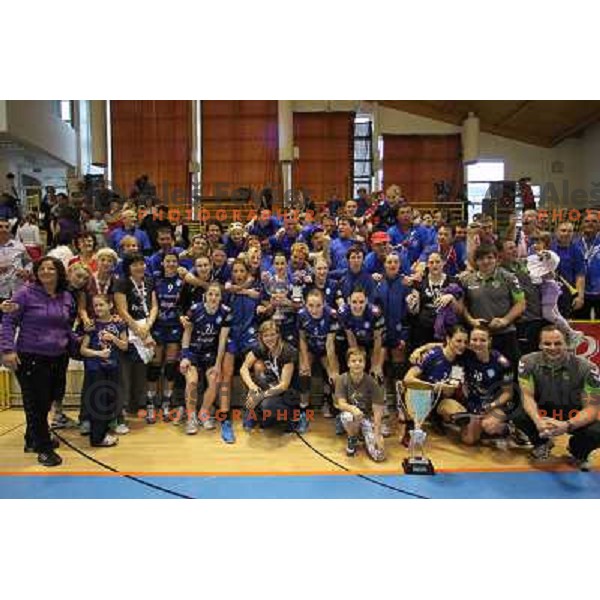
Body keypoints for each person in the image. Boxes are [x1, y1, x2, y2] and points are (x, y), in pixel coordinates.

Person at [0, 256, 78, 467]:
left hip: (58, 357)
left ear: (58, 272)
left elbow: (66, 327)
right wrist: (7, 350)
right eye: (41, 268)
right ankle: (44, 449)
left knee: (50, 399)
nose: (46, 271)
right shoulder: (24, 293)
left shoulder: (66, 296)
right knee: (37, 403)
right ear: (36, 272)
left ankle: (31, 439)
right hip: (31, 357)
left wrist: (79, 344)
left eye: (50, 268)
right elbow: (8, 321)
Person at [513, 325, 600, 470]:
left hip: (574, 412)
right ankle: (542, 442)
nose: (552, 348)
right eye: (547, 343)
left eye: (558, 343)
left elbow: (592, 408)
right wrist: (538, 420)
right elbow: (527, 396)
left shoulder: (588, 369)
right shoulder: (527, 362)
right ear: (540, 344)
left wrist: (567, 425)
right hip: (545, 411)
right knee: (517, 413)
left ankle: (578, 451)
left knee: (597, 430)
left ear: (567, 344)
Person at [179, 283, 231, 438]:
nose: (213, 298)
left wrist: (218, 364)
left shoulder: (226, 312)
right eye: (210, 294)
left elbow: (222, 340)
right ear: (205, 296)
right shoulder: (195, 309)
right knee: (192, 381)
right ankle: (191, 417)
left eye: (217, 295)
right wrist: (185, 356)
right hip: (193, 352)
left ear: (221, 298)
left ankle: (204, 413)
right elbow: (187, 333)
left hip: (210, 353)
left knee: (215, 379)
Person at [113, 253, 158, 421]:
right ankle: (122, 410)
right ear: (128, 267)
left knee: (141, 370)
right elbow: (122, 310)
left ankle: (136, 406)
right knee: (125, 372)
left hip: (145, 329)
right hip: (129, 332)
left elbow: (154, 307)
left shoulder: (149, 281)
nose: (140, 267)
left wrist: (147, 326)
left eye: (142, 264)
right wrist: (137, 329)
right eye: (135, 265)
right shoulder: (121, 283)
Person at [80, 295, 128, 447]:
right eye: (95, 306)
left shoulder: (119, 324)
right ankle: (97, 437)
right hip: (96, 369)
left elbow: (124, 346)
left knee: (108, 400)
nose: (98, 308)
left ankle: (104, 432)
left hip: (113, 368)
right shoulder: (92, 325)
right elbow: (83, 350)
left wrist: (113, 338)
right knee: (97, 401)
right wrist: (98, 354)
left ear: (110, 305)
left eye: (101, 305)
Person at [239, 320, 302, 432]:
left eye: (272, 334)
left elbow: (284, 385)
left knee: (267, 405)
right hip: (272, 385)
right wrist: (252, 387)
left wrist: (261, 396)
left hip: (288, 393)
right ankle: (256, 416)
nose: (269, 338)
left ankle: (293, 418)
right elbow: (244, 368)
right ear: (261, 337)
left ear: (278, 335)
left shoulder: (288, 351)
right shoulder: (261, 348)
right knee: (255, 385)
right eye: (266, 336)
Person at [526, 231, 583, 349]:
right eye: (534, 241)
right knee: (555, 314)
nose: (535, 244)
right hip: (542, 289)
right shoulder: (532, 257)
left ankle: (571, 333)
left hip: (549, 288)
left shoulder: (549, 254)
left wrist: (545, 254)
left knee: (548, 314)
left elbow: (553, 260)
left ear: (546, 244)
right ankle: (569, 334)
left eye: (539, 242)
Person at [334, 347, 385, 461]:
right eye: (353, 361)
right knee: (348, 416)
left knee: (379, 455)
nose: (357, 364)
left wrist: (377, 434)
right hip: (349, 416)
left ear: (365, 364)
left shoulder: (371, 382)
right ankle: (352, 437)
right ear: (348, 364)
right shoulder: (342, 379)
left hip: (366, 418)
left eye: (360, 361)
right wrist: (352, 409)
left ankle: (364, 434)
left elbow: (378, 409)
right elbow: (341, 404)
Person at [298, 288, 339, 420]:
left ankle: (332, 404)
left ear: (324, 303)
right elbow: (302, 339)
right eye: (310, 305)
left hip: (325, 349)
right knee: (303, 372)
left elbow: (330, 344)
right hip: (310, 348)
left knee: (334, 375)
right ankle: (304, 407)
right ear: (305, 304)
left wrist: (332, 368)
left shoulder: (331, 315)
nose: (314, 310)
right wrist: (304, 362)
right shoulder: (301, 315)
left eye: (318, 305)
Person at [0, 216, 32, 321]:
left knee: (18, 322)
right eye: (1, 227)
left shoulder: (19, 246)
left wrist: (26, 271)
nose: (4, 229)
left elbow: (29, 262)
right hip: (1, 291)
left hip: (17, 291)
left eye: (7, 227)